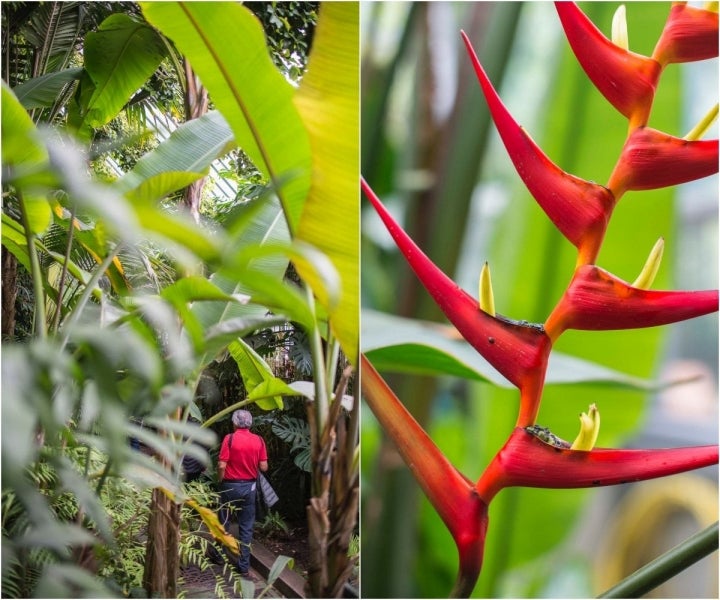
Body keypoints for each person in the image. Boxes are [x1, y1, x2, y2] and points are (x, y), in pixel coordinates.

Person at [217, 409, 268, 579]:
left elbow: (222, 465)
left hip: (229, 486)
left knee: (223, 521)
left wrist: (221, 480)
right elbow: (263, 467)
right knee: (246, 527)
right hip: (250, 488)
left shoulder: (229, 439)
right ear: (250, 423)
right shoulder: (259, 440)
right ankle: (244, 567)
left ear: (234, 423)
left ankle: (218, 556)